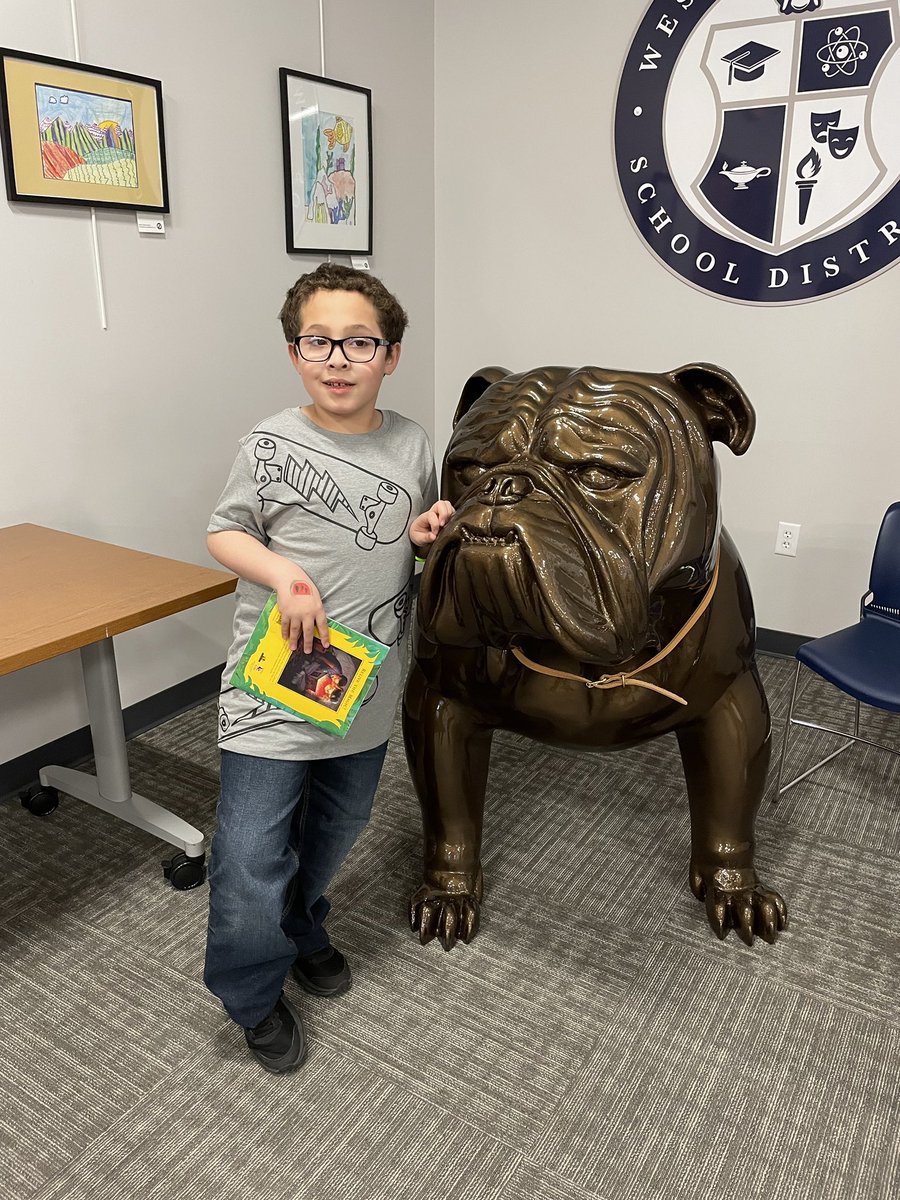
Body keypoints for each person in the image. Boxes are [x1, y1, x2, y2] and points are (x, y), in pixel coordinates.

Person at [204, 262, 453, 1074]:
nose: (338, 358)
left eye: (359, 342)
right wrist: (285, 576)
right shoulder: (270, 444)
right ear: (294, 351)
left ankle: (305, 924)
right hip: (273, 690)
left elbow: (407, 538)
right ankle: (251, 990)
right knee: (248, 855)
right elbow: (225, 533)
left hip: (366, 692)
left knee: (335, 831)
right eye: (319, 341)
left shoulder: (414, 443)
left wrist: (424, 538)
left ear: (392, 354)